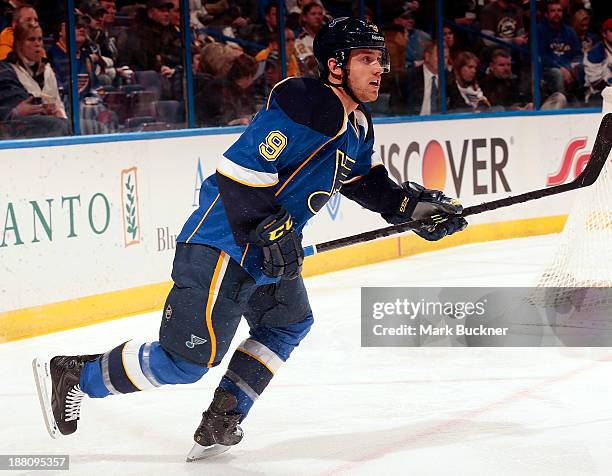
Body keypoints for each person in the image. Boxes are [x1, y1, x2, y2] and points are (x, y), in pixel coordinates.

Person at [33, 18, 467, 461]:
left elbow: (359, 180)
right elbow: (239, 170)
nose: (379, 69)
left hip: (265, 250)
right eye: (366, 59)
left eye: (380, 59)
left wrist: (408, 208)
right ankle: (78, 375)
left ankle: (224, 414)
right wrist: (268, 228)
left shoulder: (357, 124)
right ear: (336, 66)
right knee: (185, 363)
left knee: (288, 323)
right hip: (224, 243)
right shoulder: (307, 102)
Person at [0, 23, 70, 137]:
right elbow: (14, 105)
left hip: (54, 122)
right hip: (23, 129)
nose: (37, 44)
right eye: (31, 39)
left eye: (40, 39)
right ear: (19, 44)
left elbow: (58, 102)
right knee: (59, 125)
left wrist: (60, 112)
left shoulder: (48, 69)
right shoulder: (7, 70)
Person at [584, 18, 612, 104]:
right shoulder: (595, 53)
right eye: (611, 31)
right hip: (597, 94)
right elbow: (596, 82)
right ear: (604, 33)